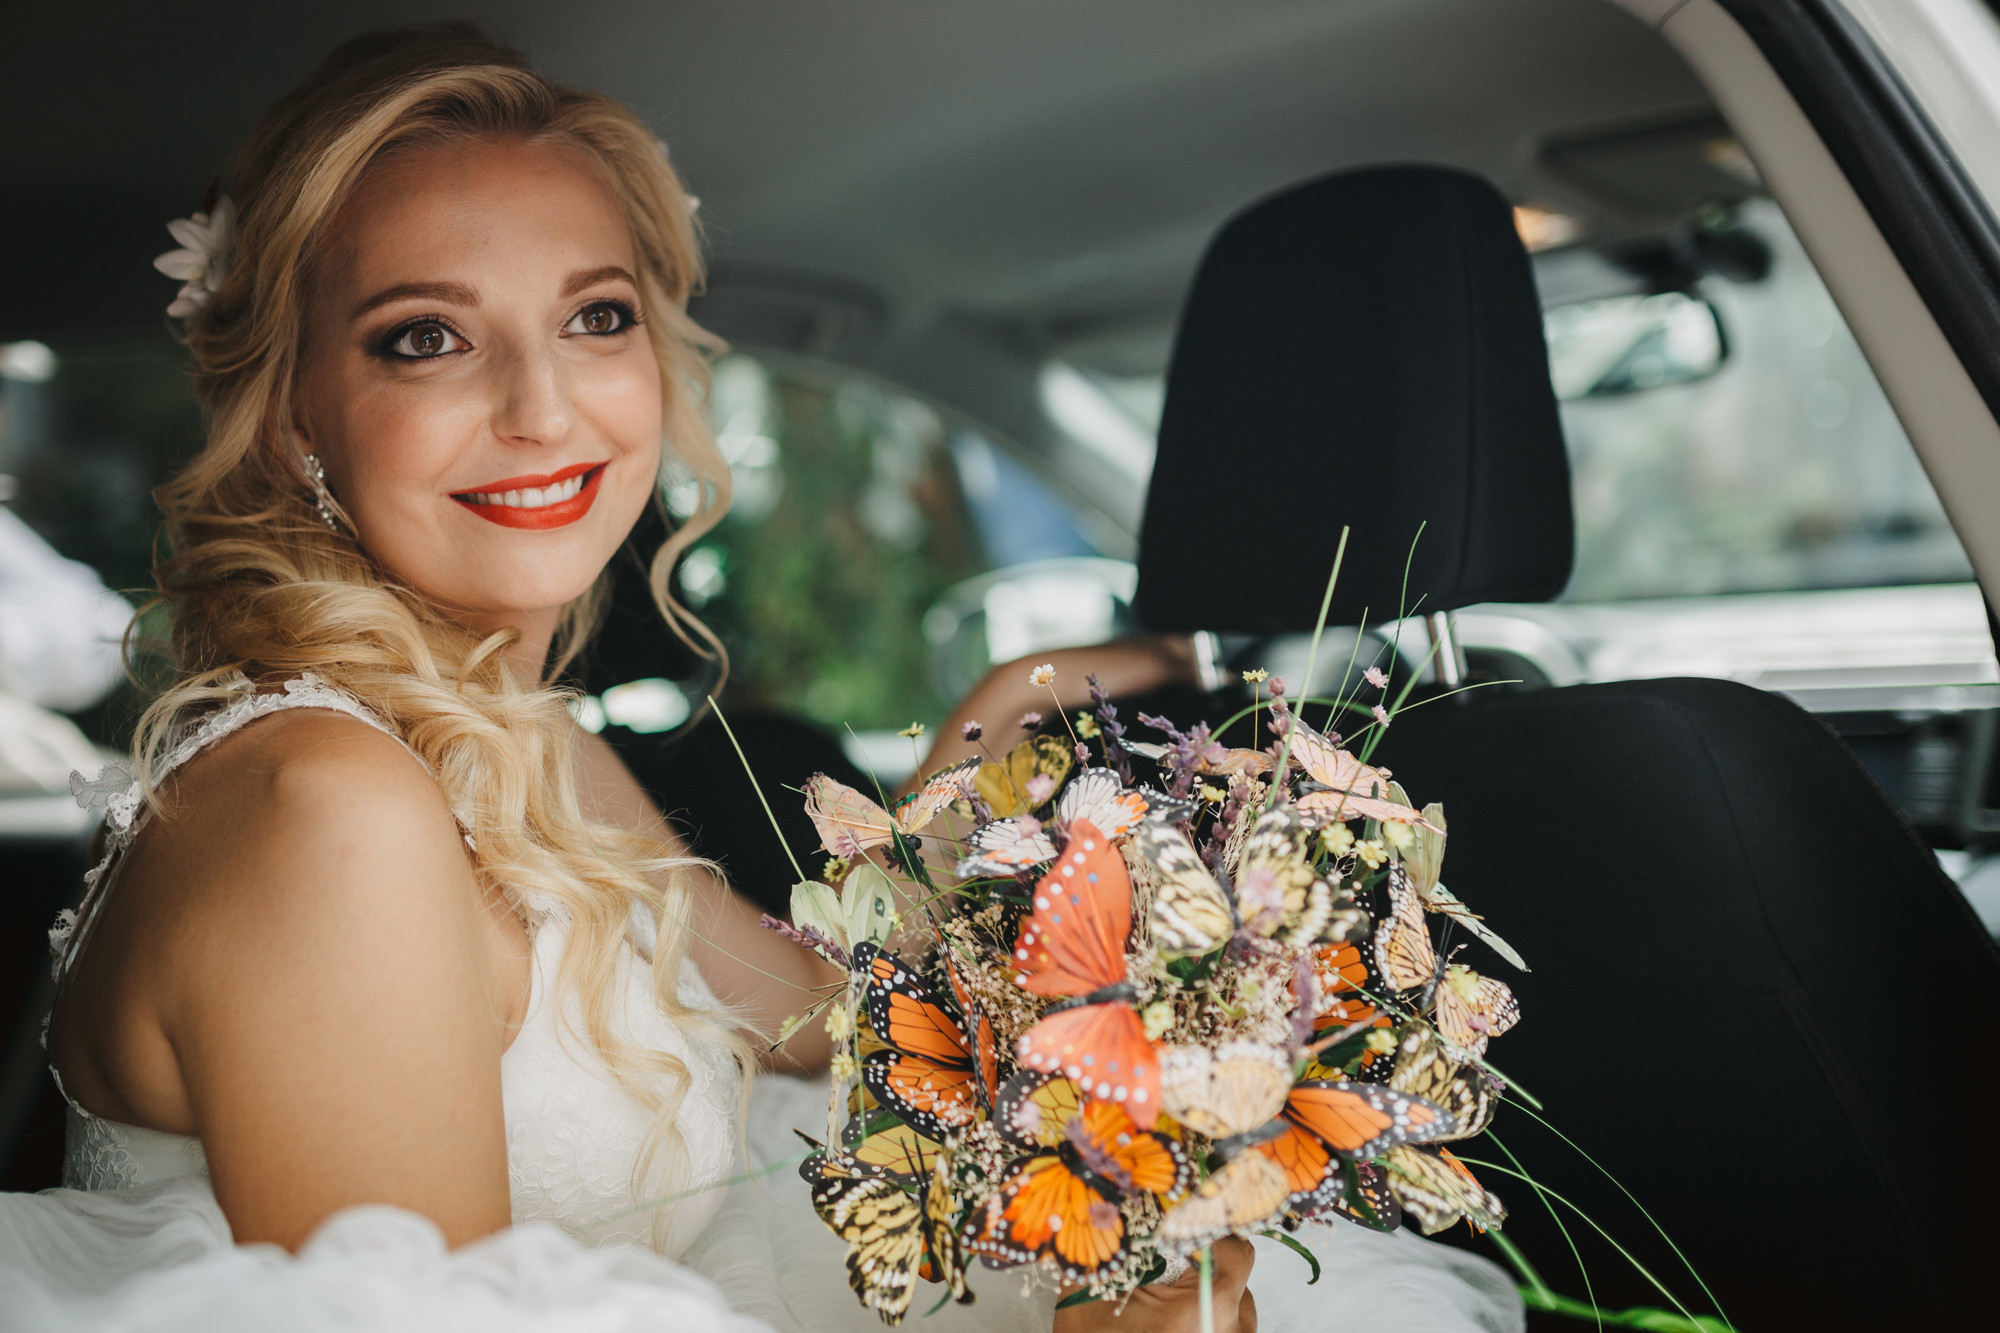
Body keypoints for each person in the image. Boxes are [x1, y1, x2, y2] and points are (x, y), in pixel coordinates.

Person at [0, 25, 1521, 1332]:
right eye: (425, 338)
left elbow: (829, 1020)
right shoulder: (327, 806)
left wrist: (1018, 742)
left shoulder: (513, 741)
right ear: (293, 423)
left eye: (595, 317)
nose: (542, 406)